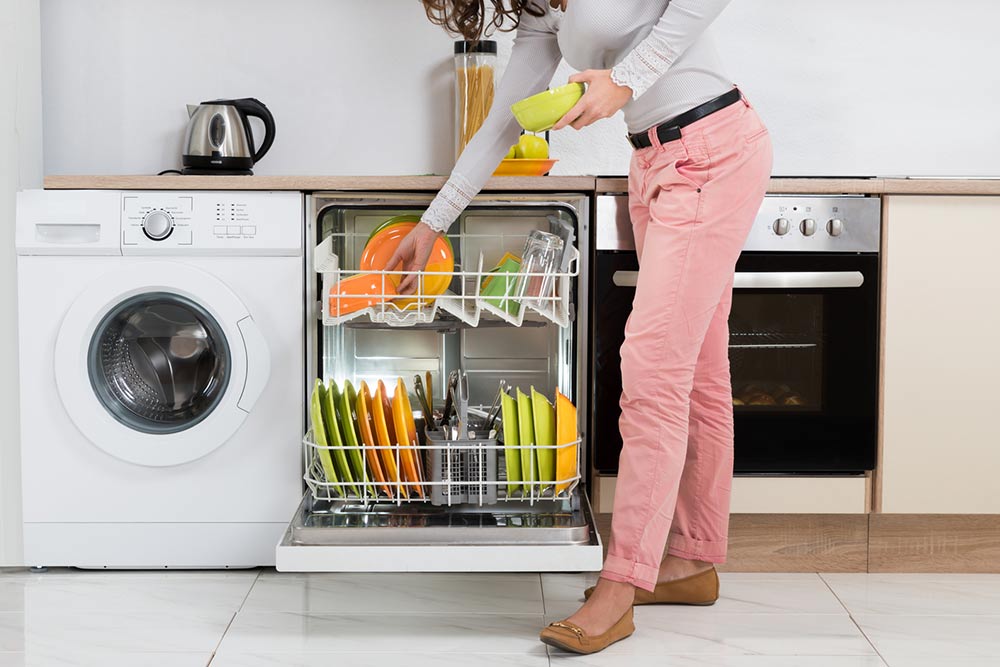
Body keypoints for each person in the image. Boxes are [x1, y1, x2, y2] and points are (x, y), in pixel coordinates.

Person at [390, 0, 773, 655]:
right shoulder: (546, 11)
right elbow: (503, 122)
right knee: (700, 370)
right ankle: (690, 560)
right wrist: (433, 222)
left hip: (714, 150)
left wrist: (625, 79)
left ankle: (621, 583)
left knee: (652, 370)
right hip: (653, 167)